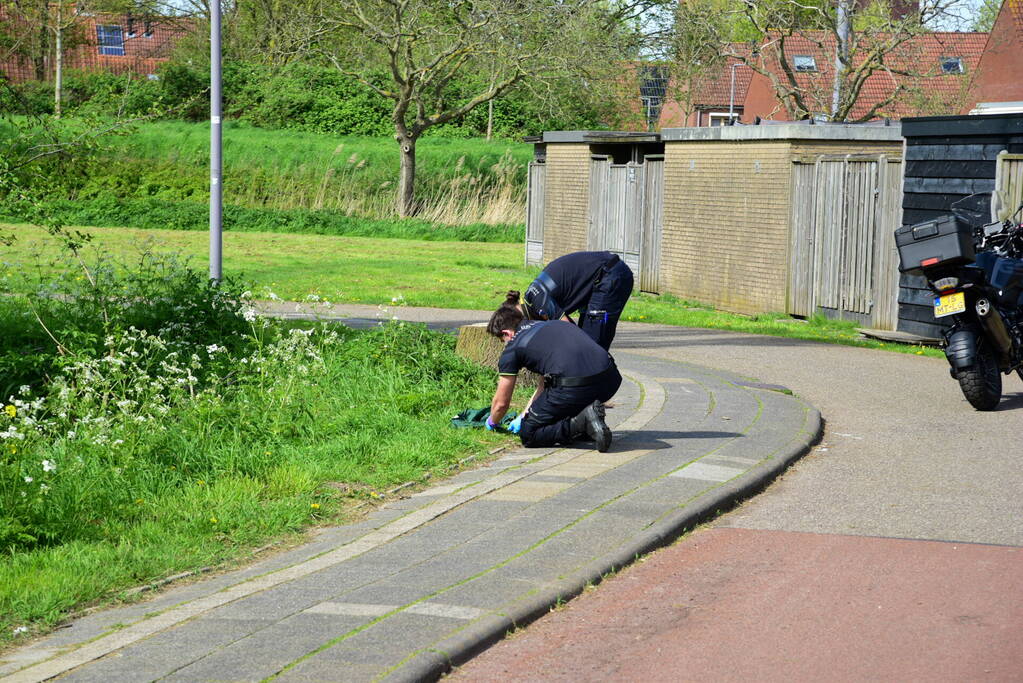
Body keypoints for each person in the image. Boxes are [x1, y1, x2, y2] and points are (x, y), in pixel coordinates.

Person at [485, 290, 621, 452]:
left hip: (577, 387)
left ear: (507, 333)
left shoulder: (513, 347)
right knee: (553, 410)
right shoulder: (550, 325)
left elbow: (501, 404)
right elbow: (544, 386)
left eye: (502, 341)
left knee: (529, 432)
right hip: (611, 379)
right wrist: (524, 415)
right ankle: (588, 419)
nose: (504, 345)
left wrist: (492, 422)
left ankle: (581, 423)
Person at [523, 250, 634, 350]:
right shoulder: (531, 296)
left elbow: (568, 329)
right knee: (585, 341)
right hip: (600, 277)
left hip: (610, 274)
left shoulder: (540, 302)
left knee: (592, 346)